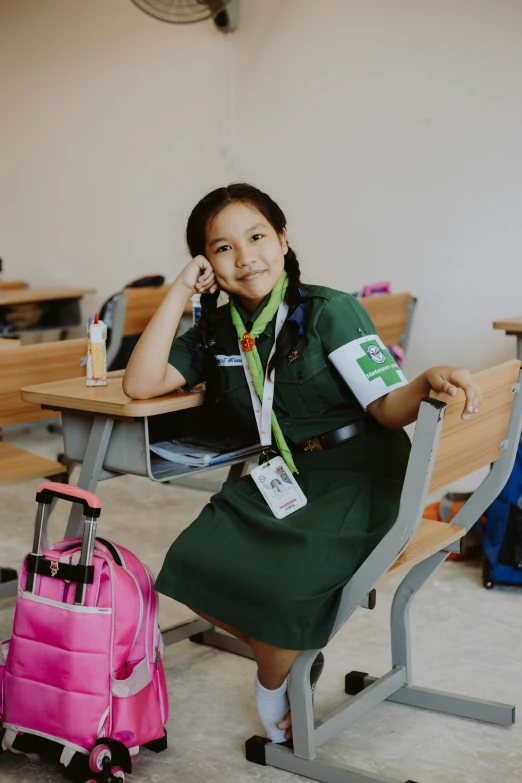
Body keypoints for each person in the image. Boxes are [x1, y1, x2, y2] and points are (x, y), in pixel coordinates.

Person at [123, 183, 482, 744]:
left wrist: (424, 380)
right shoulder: (217, 331)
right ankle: (290, 656)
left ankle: (275, 676)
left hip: (362, 473)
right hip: (288, 477)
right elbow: (140, 382)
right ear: (205, 264)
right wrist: (176, 292)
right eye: (222, 248)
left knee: (285, 592)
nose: (245, 257)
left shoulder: (329, 311)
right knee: (192, 560)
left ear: (284, 240)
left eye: (258, 236)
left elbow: (388, 409)